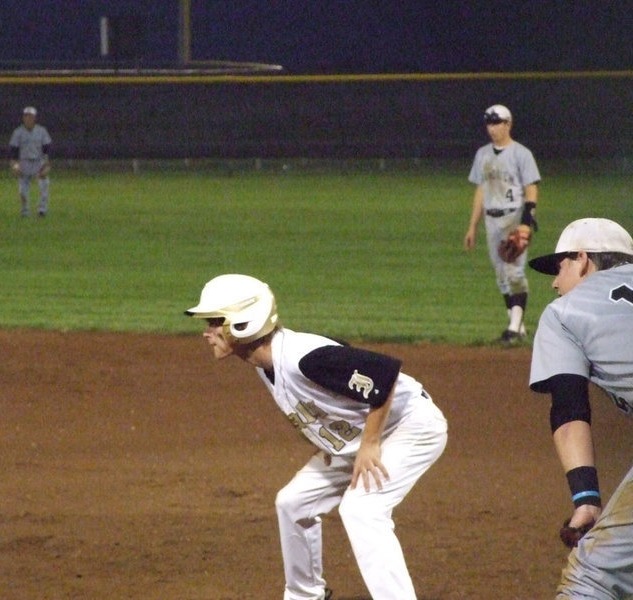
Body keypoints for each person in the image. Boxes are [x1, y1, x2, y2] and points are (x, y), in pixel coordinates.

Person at [184, 274, 448, 600]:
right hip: (361, 438)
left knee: (362, 509)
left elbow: (383, 374)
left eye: (214, 322)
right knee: (293, 503)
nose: (207, 333)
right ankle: (305, 595)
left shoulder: (303, 358)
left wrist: (369, 444)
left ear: (242, 323)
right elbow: (334, 372)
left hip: (409, 427)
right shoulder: (266, 360)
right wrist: (327, 443)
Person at [527, 218, 633, 598]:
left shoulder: (564, 313)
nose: (555, 283)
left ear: (583, 260)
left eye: (560, 267)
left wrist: (585, 499)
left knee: (592, 575)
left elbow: (569, 412)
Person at [464, 104, 541, 343]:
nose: (492, 128)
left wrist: (526, 222)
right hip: (491, 219)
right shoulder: (482, 154)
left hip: (513, 218)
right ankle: (517, 326)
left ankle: (513, 328)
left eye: (497, 122)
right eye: (489, 123)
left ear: (508, 124)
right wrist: (472, 226)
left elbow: (531, 188)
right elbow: (481, 190)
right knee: (501, 275)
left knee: (514, 272)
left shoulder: (521, 153)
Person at [9, 106, 52, 217]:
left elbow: (47, 149)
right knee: (23, 190)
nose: (28, 118)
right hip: (24, 162)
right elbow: (13, 152)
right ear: (23, 118)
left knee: (44, 185)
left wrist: (46, 165)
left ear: (34, 118)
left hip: (38, 161)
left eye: (31, 116)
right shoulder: (18, 132)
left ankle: (42, 210)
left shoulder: (41, 131)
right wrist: (15, 166)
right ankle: (25, 210)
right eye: (26, 116)